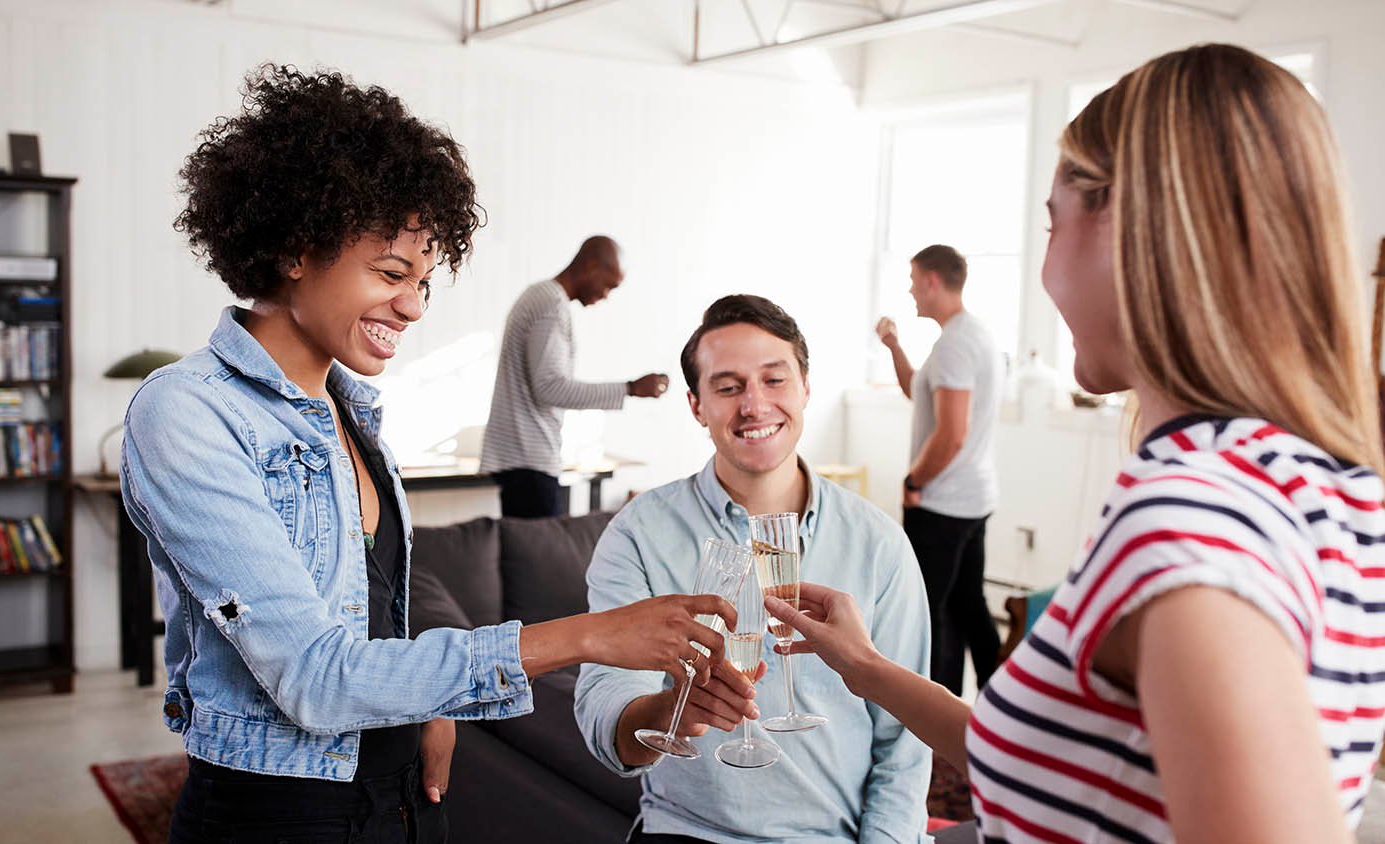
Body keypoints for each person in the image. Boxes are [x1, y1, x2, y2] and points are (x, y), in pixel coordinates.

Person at [764, 44, 1385, 843]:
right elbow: (1060, 764)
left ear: (1135, 231)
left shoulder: (1192, 513)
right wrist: (869, 668)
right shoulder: (1324, 480)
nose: (1048, 268)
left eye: (1055, 224)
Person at [120, 64, 735, 843]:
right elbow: (311, 675)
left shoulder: (352, 410)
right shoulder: (187, 411)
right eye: (390, 273)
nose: (413, 305)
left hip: (405, 794)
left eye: (424, 281)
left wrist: (430, 704)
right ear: (296, 249)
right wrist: (587, 633)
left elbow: (373, 605)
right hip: (282, 813)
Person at [575, 295, 933, 843]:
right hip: (688, 832)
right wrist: (667, 708)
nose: (754, 405)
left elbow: (905, 746)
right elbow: (605, 706)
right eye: (728, 387)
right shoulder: (639, 534)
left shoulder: (879, 543)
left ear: (806, 389)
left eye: (774, 380)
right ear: (696, 406)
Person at [875, 245, 1003, 694]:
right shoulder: (969, 335)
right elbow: (920, 392)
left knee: (929, 615)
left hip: (944, 504)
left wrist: (914, 481)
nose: (910, 289)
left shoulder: (955, 344)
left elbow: (951, 434)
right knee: (970, 606)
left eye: (913, 279)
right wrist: (893, 346)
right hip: (973, 498)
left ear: (932, 280)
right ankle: (995, 708)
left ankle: (937, 725)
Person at [480, 236, 669, 518]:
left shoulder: (540, 295)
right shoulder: (550, 304)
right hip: (529, 462)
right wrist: (630, 388)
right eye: (609, 285)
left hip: (519, 460)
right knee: (537, 561)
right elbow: (550, 388)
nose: (606, 295)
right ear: (591, 266)